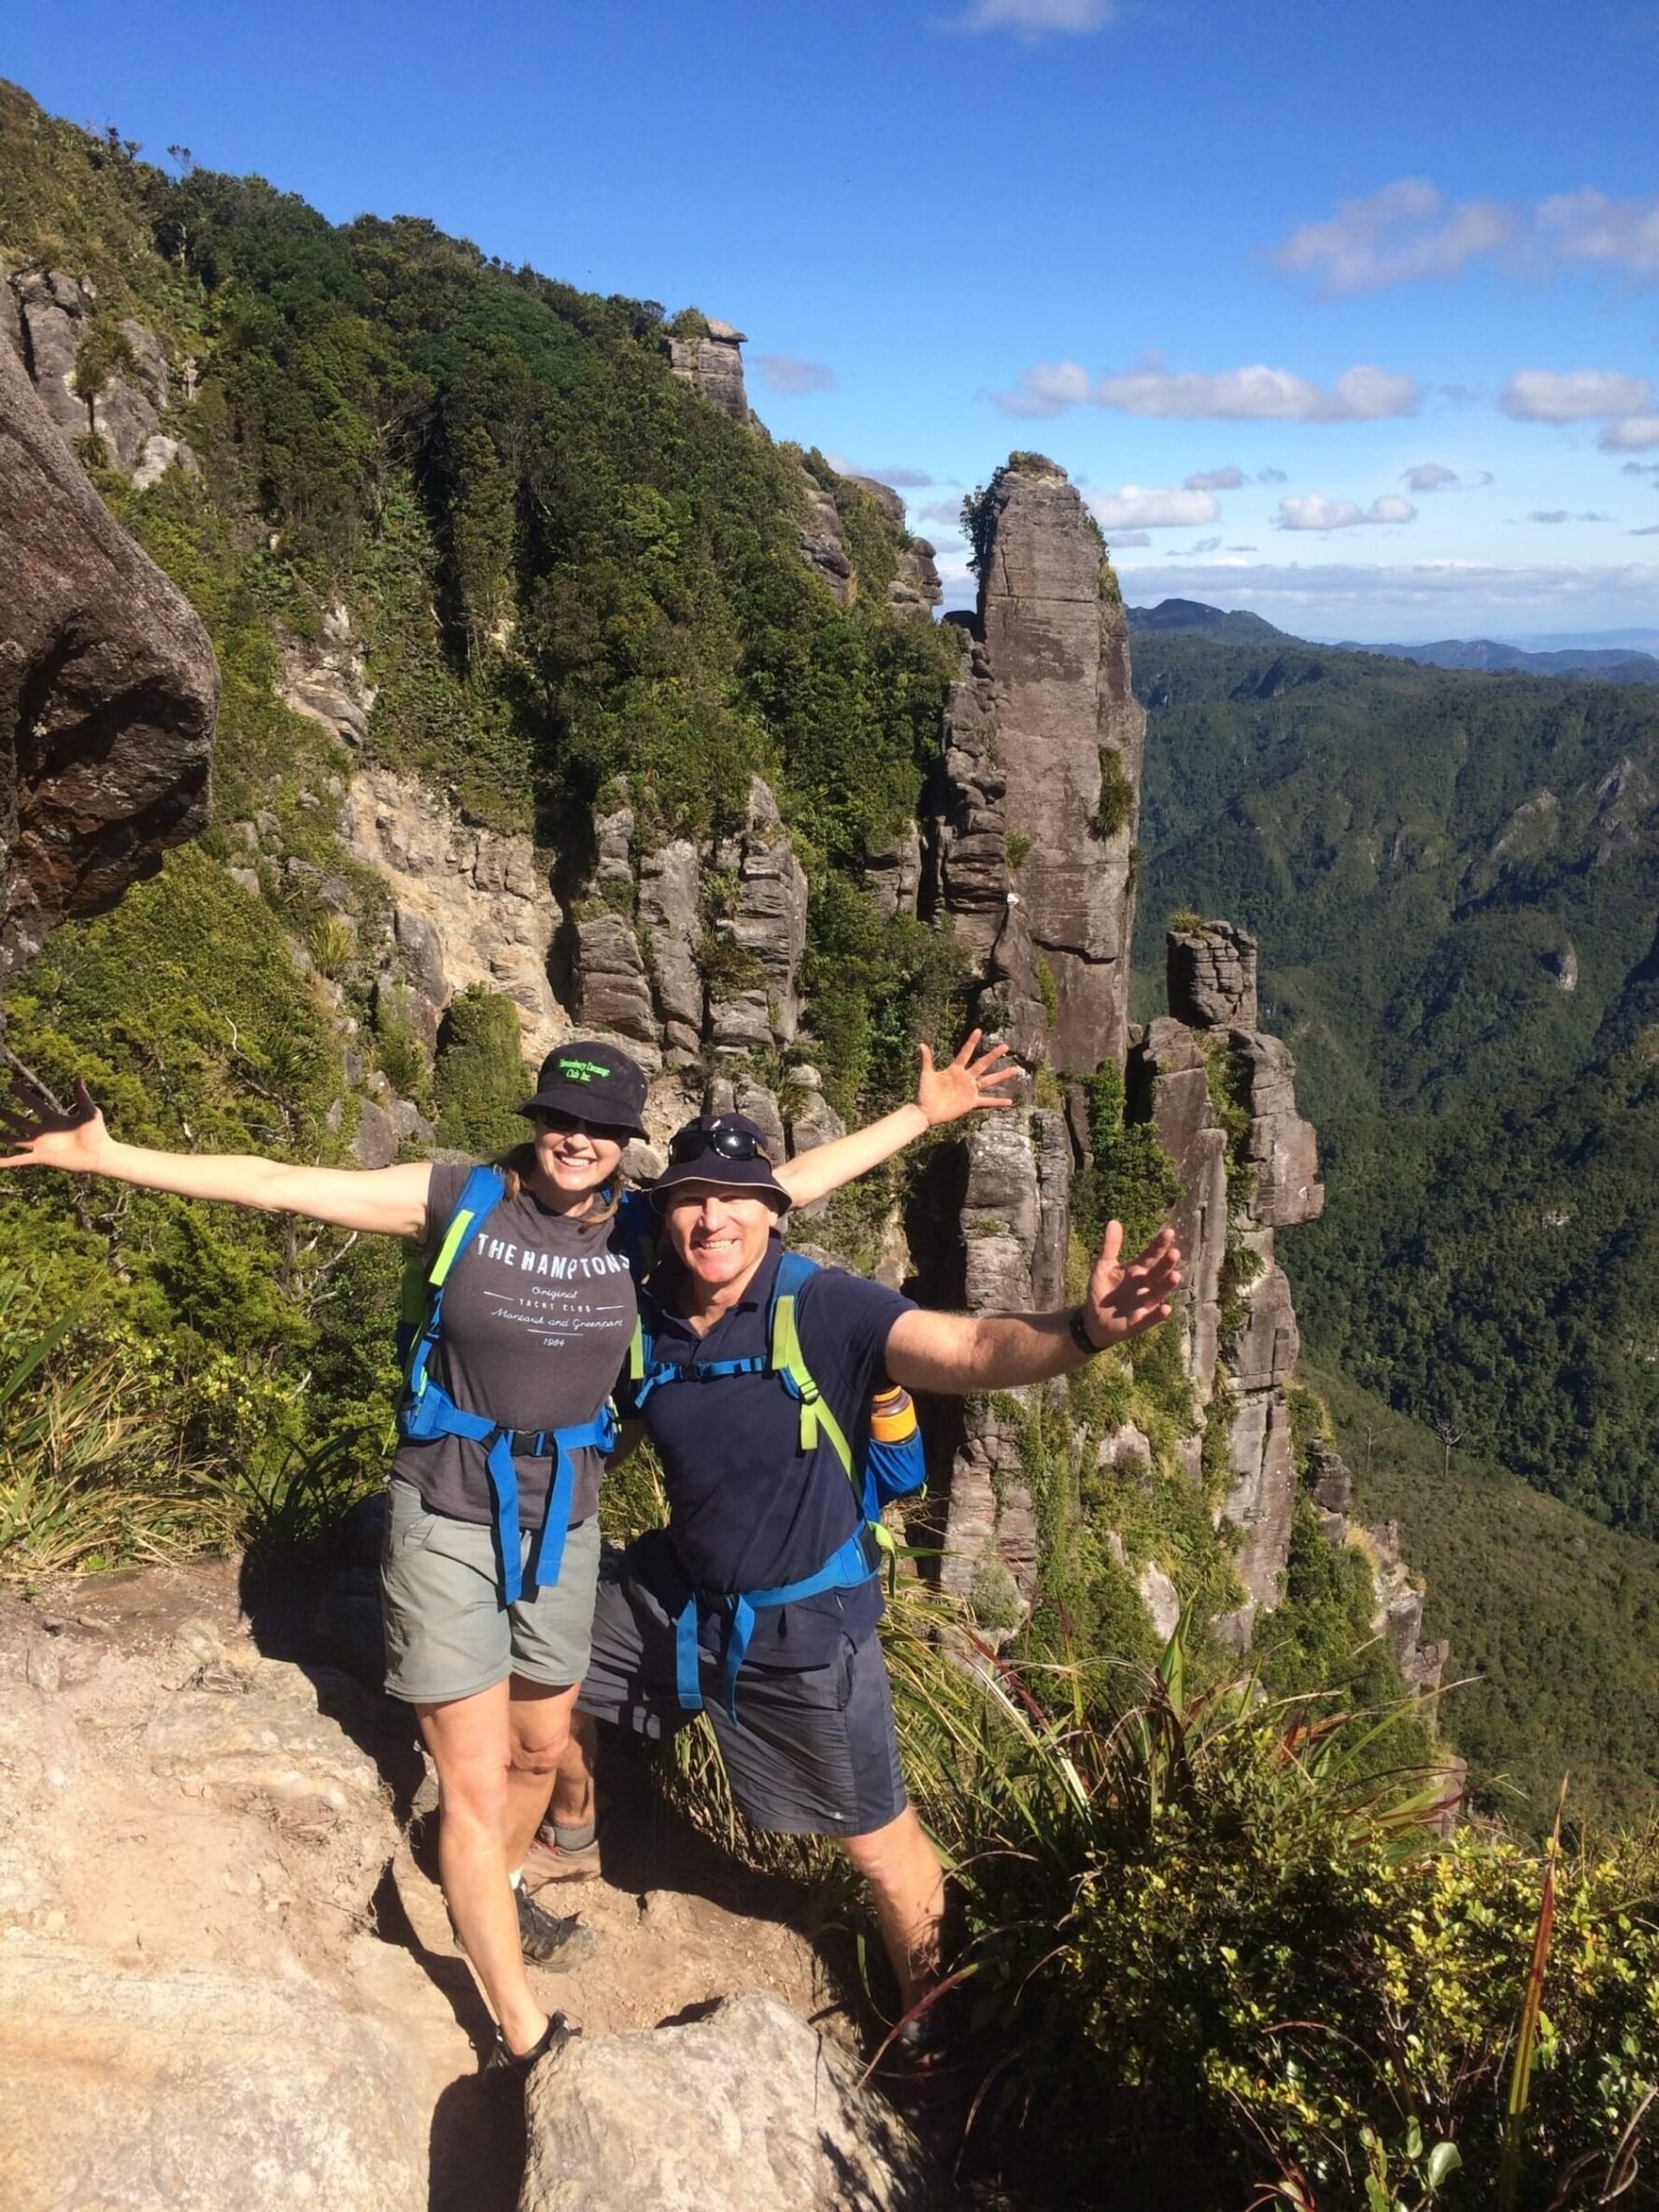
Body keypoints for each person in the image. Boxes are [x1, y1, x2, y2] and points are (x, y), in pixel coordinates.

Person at [0, 1029, 1017, 2080]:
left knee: (540, 1746)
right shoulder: (460, 1199)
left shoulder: (642, 1228)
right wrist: (114, 1157)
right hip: (446, 1514)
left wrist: (921, 1117)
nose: (579, 1141)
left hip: (562, 1530)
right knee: (478, 1784)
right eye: (563, 1120)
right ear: (537, 1120)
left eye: (603, 1128)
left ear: (626, 1145)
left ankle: (525, 1876)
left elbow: (768, 1190)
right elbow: (283, 1185)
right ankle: (524, 2032)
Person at [569, 1111, 1183, 2048]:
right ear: (667, 1214)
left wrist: (1082, 1331)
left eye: (736, 1198)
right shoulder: (650, 1307)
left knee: (883, 1849)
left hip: (805, 1625)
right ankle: (572, 1828)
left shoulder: (824, 1307)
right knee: (552, 1661)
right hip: (679, 1592)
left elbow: (970, 1350)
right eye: (691, 1198)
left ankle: (931, 2027)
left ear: (774, 1213)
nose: (712, 1219)